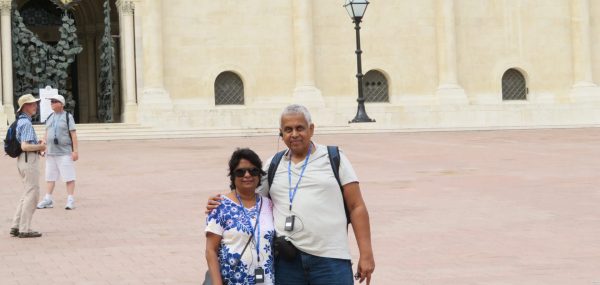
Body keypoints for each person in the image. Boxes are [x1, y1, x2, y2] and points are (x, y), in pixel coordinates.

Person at [207, 104, 375, 284]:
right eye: (288, 130)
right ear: (281, 133)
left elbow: (356, 206)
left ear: (311, 129)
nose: (294, 134)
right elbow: (249, 194)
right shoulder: (274, 164)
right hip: (288, 262)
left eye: (299, 128)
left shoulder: (334, 157)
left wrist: (366, 254)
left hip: (330, 260)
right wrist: (221, 202)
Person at [205, 148, 275, 285]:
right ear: (232, 176)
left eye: (253, 170)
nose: (247, 175)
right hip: (233, 280)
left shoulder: (269, 205)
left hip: (266, 280)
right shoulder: (220, 206)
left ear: (260, 175)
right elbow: (210, 250)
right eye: (240, 172)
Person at [10, 94, 47, 238]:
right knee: (32, 194)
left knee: (27, 193)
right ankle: (24, 228)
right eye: (32, 104)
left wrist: (36, 146)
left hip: (23, 160)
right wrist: (41, 147)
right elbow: (25, 146)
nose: (35, 106)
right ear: (25, 106)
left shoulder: (21, 121)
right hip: (28, 160)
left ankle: (16, 225)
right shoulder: (25, 123)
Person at [36, 94, 79, 210]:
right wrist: (43, 145)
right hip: (51, 153)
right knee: (50, 177)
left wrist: (75, 151)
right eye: (51, 102)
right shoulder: (50, 117)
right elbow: (46, 133)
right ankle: (48, 199)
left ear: (61, 104)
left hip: (64, 152)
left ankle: (70, 200)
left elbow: (73, 135)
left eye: (55, 101)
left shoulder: (67, 117)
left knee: (68, 177)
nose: (52, 104)